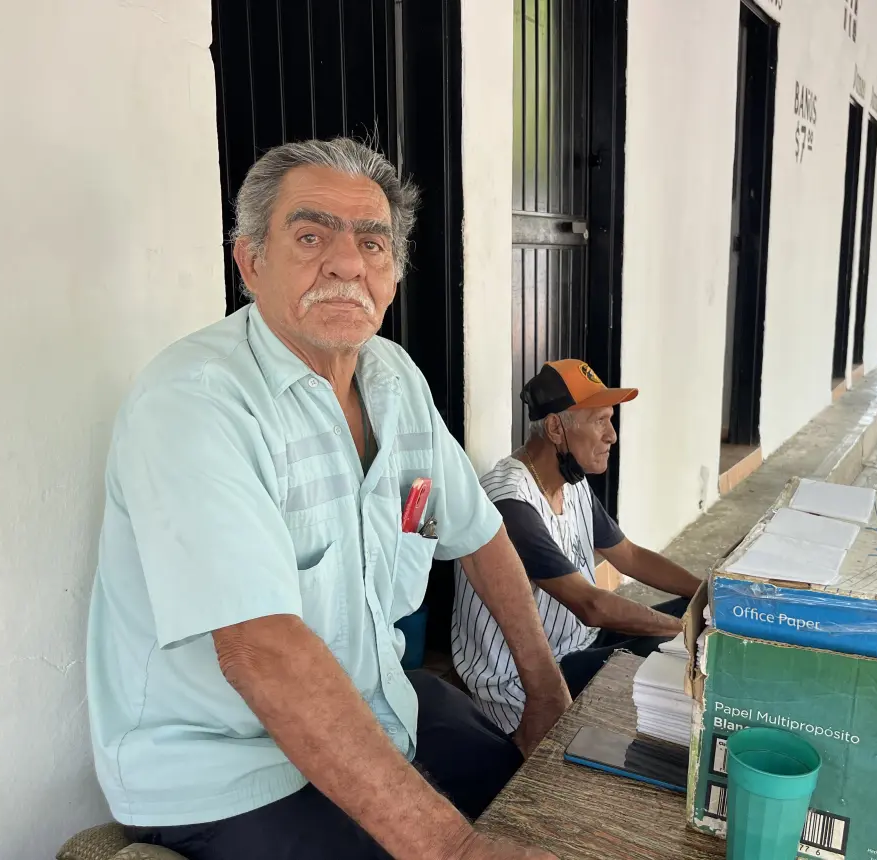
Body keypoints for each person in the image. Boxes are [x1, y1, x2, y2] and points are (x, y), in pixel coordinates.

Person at [86, 138, 570, 860]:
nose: (347, 263)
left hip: (380, 706)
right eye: (311, 236)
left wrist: (545, 692)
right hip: (227, 766)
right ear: (251, 262)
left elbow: (474, 533)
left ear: (394, 274)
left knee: (537, 806)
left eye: (372, 243)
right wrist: (451, 849)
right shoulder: (195, 403)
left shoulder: (395, 379)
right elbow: (263, 651)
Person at [452, 360, 703, 734]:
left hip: (580, 644)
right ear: (556, 428)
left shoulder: (570, 480)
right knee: (680, 653)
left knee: (698, 611)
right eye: (600, 420)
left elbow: (629, 555)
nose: (612, 435)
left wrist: (707, 593)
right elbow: (592, 605)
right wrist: (679, 632)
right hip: (528, 681)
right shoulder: (509, 503)